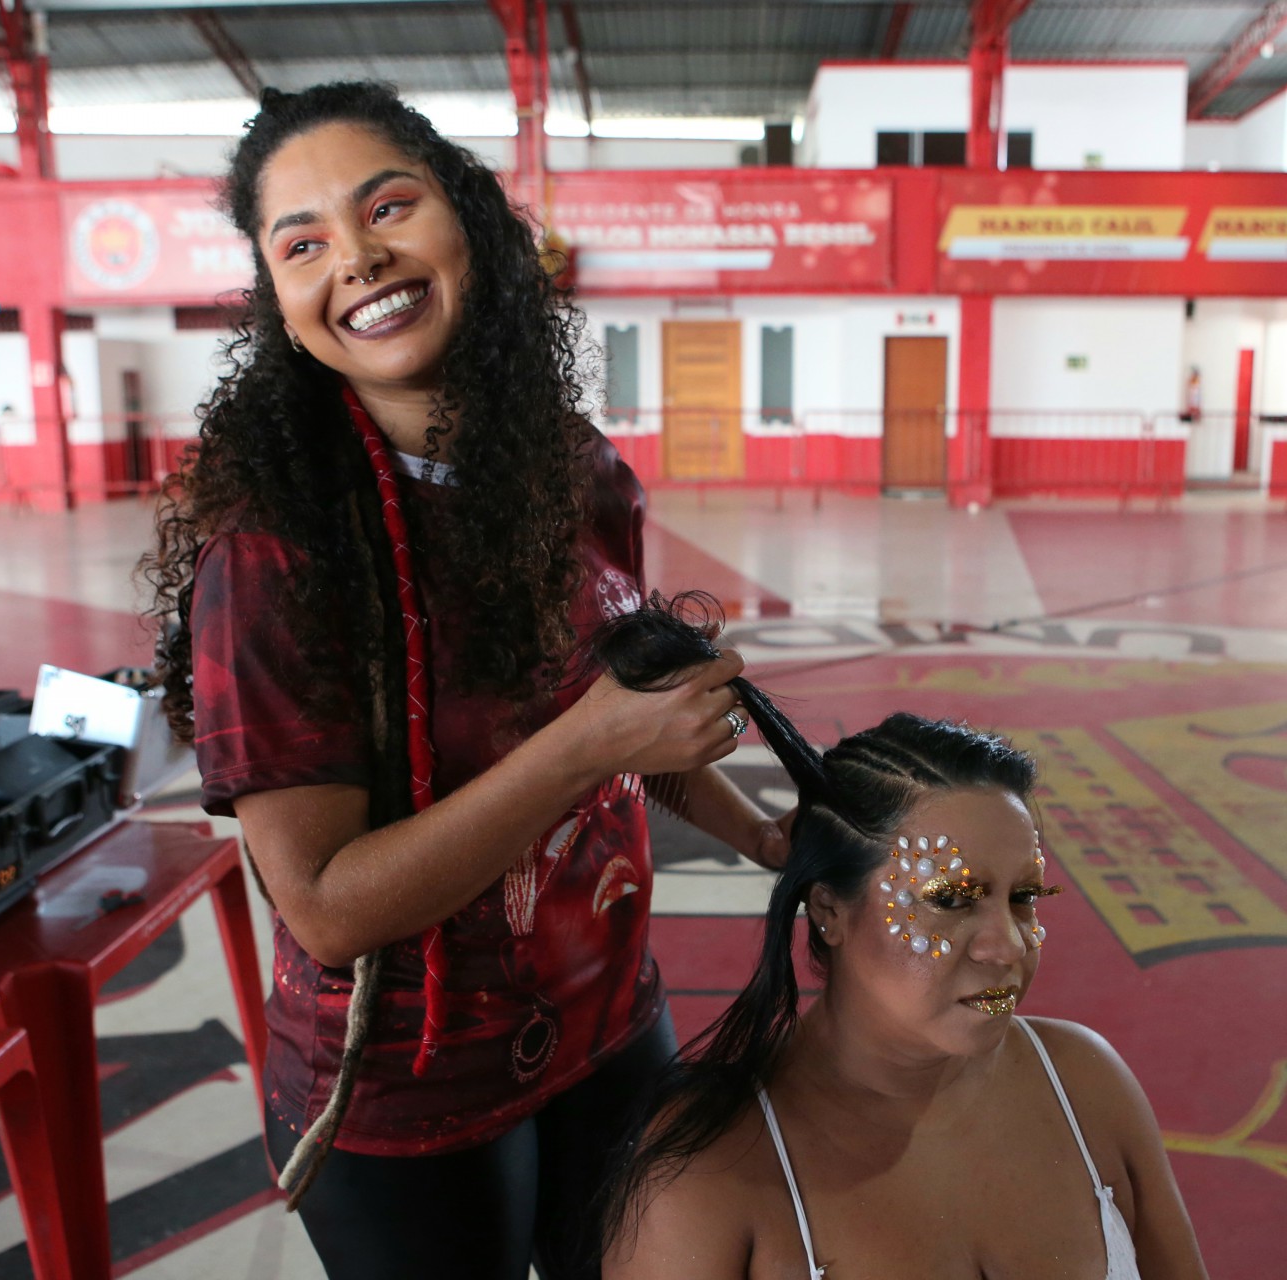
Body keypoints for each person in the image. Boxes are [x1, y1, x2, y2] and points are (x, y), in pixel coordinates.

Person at [142, 82, 789, 1280]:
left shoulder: (577, 471)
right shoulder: (274, 554)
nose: (357, 257)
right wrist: (589, 744)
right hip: (408, 1093)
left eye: (387, 206)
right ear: (279, 302)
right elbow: (326, 906)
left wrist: (764, 831)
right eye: (302, 243)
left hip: (607, 1022)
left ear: (470, 220)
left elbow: (625, 717)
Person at [595, 600, 1208, 1280]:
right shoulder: (704, 1178)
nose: (1008, 947)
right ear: (829, 910)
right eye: (950, 900)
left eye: (1023, 897)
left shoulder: (1089, 1085)